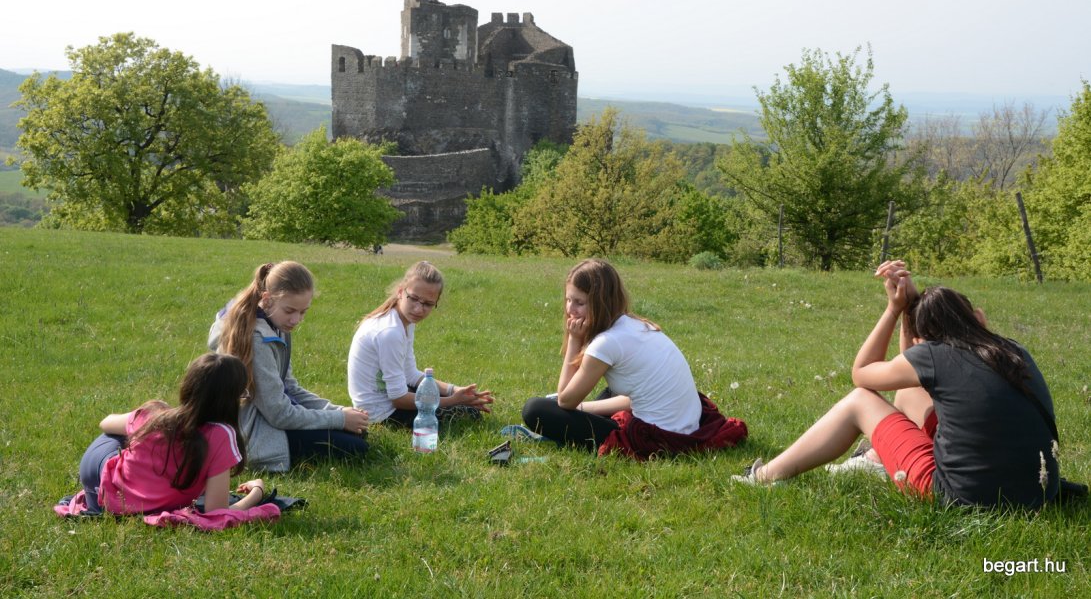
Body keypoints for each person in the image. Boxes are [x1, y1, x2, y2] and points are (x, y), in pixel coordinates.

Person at [735, 260, 1061, 509]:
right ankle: (878, 460)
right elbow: (909, 371)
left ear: (923, 341)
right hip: (1039, 490)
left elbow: (862, 374)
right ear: (979, 317)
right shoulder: (1013, 350)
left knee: (860, 400)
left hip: (962, 497)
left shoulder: (935, 355)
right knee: (908, 389)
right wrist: (911, 310)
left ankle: (762, 476)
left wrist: (895, 309)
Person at [522, 259, 747, 459]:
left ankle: (569, 427)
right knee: (609, 392)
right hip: (685, 424)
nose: (571, 309)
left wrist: (574, 340)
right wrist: (581, 408)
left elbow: (565, 400)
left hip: (656, 437)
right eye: (568, 300)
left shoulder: (607, 342)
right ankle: (576, 421)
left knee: (534, 409)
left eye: (579, 302)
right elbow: (632, 397)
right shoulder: (635, 325)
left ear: (601, 303)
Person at [209, 261, 370, 472]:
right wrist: (339, 419)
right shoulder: (257, 339)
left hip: (272, 417)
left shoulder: (277, 323)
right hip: (254, 431)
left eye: (303, 312)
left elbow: (290, 387)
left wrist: (339, 411)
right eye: (290, 311)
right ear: (267, 299)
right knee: (356, 447)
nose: (296, 320)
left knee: (358, 432)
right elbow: (278, 413)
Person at [76, 352, 265, 515]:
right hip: (111, 482)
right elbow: (216, 512)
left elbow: (106, 423)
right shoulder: (221, 435)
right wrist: (257, 492)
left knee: (132, 433)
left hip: (99, 478)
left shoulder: (156, 416)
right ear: (231, 400)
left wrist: (155, 416)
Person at [347, 261, 493, 427]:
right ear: (401, 292)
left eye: (428, 304)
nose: (418, 309)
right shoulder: (390, 332)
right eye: (414, 299)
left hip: (387, 403)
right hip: (381, 414)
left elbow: (410, 375)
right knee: (470, 414)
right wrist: (453, 400)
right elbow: (399, 399)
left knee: (465, 407)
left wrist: (455, 390)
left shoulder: (404, 321)